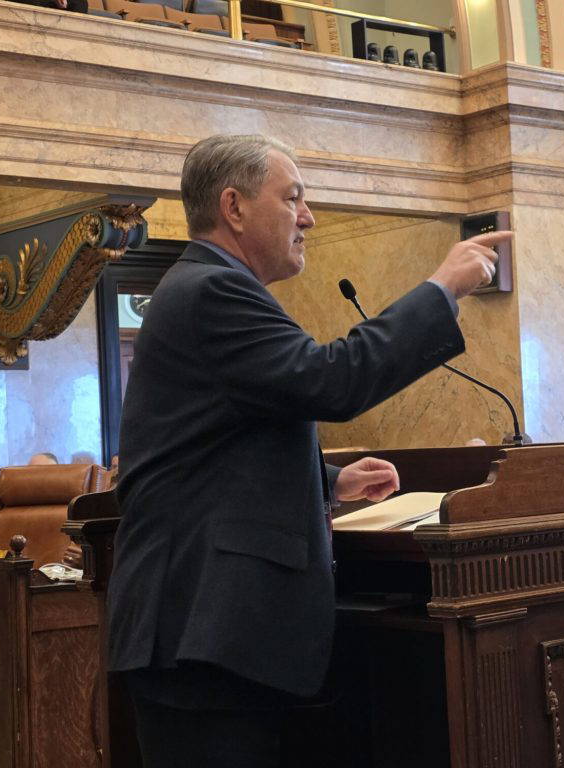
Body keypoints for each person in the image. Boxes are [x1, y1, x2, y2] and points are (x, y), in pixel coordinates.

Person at [107, 134, 510, 767]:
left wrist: (326, 481)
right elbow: (333, 380)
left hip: (208, 631)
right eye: (293, 197)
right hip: (203, 629)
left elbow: (208, 448)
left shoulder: (203, 287)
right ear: (234, 207)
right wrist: (441, 290)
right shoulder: (213, 290)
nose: (309, 216)